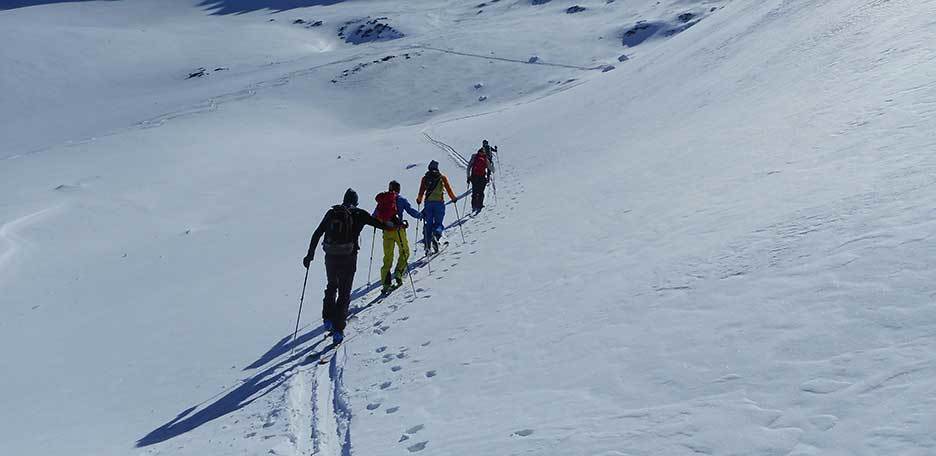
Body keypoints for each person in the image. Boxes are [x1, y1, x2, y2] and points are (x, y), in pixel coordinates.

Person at [303, 188, 391, 343]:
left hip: (330, 255)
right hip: (349, 257)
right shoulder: (359, 213)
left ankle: (328, 319)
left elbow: (317, 233)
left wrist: (310, 255)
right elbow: (381, 225)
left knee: (331, 285)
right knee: (344, 292)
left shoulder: (332, 213)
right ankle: (338, 330)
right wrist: (396, 225)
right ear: (356, 201)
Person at [374, 180, 422, 294]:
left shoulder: (382, 201)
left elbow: (374, 216)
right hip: (399, 230)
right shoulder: (401, 200)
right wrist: (421, 215)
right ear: (399, 189)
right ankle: (399, 273)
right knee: (405, 252)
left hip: (386, 231)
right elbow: (410, 211)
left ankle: (386, 285)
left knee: (387, 257)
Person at [415, 160, 458, 253]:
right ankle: (436, 235)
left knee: (429, 224)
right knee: (438, 223)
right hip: (439, 203)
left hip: (428, 204)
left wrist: (419, 199)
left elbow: (421, 191)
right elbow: (448, 189)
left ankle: (427, 244)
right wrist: (453, 198)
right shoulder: (442, 178)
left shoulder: (425, 178)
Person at [467, 141, 496, 213]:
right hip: (482, 177)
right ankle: (480, 205)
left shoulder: (474, 156)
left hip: (474, 177)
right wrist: (492, 165)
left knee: (474, 191)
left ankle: (474, 206)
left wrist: (468, 177)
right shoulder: (485, 158)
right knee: (481, 192)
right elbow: (492, 170)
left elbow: (468, 167)